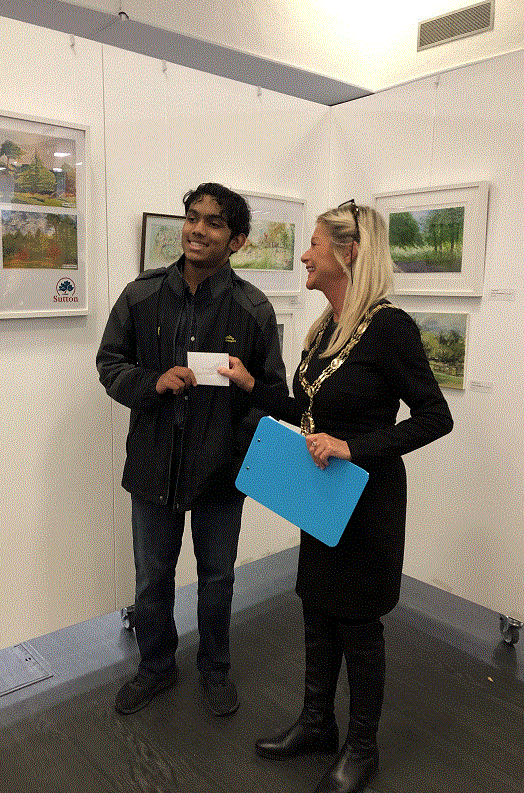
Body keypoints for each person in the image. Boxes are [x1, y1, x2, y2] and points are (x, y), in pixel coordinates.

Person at [218, 200, 453, 793]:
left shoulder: (390, 326)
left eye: (315, 244)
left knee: (359, 621)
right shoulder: (326, 328)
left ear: (348, 253)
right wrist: (254, 386)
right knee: (317, 608)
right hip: (319, 495)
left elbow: (434, 416)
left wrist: (356, 446)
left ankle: (363, 748)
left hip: (367, 499)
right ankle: (318, 723)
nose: (304, 254)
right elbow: (308, 415)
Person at [97, 183, 287, 719]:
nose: (198, 230)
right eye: (192, 218)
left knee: (218, 578)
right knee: (152, 579)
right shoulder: (141, 295)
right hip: (153, 466)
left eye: (214, 223)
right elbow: (109, 364)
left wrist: (245, 403)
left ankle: (214, 668)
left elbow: (272, 395)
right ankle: (156, 668)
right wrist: (152, 382)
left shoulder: (253, 308)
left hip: (220, 474)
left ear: (238, 241)